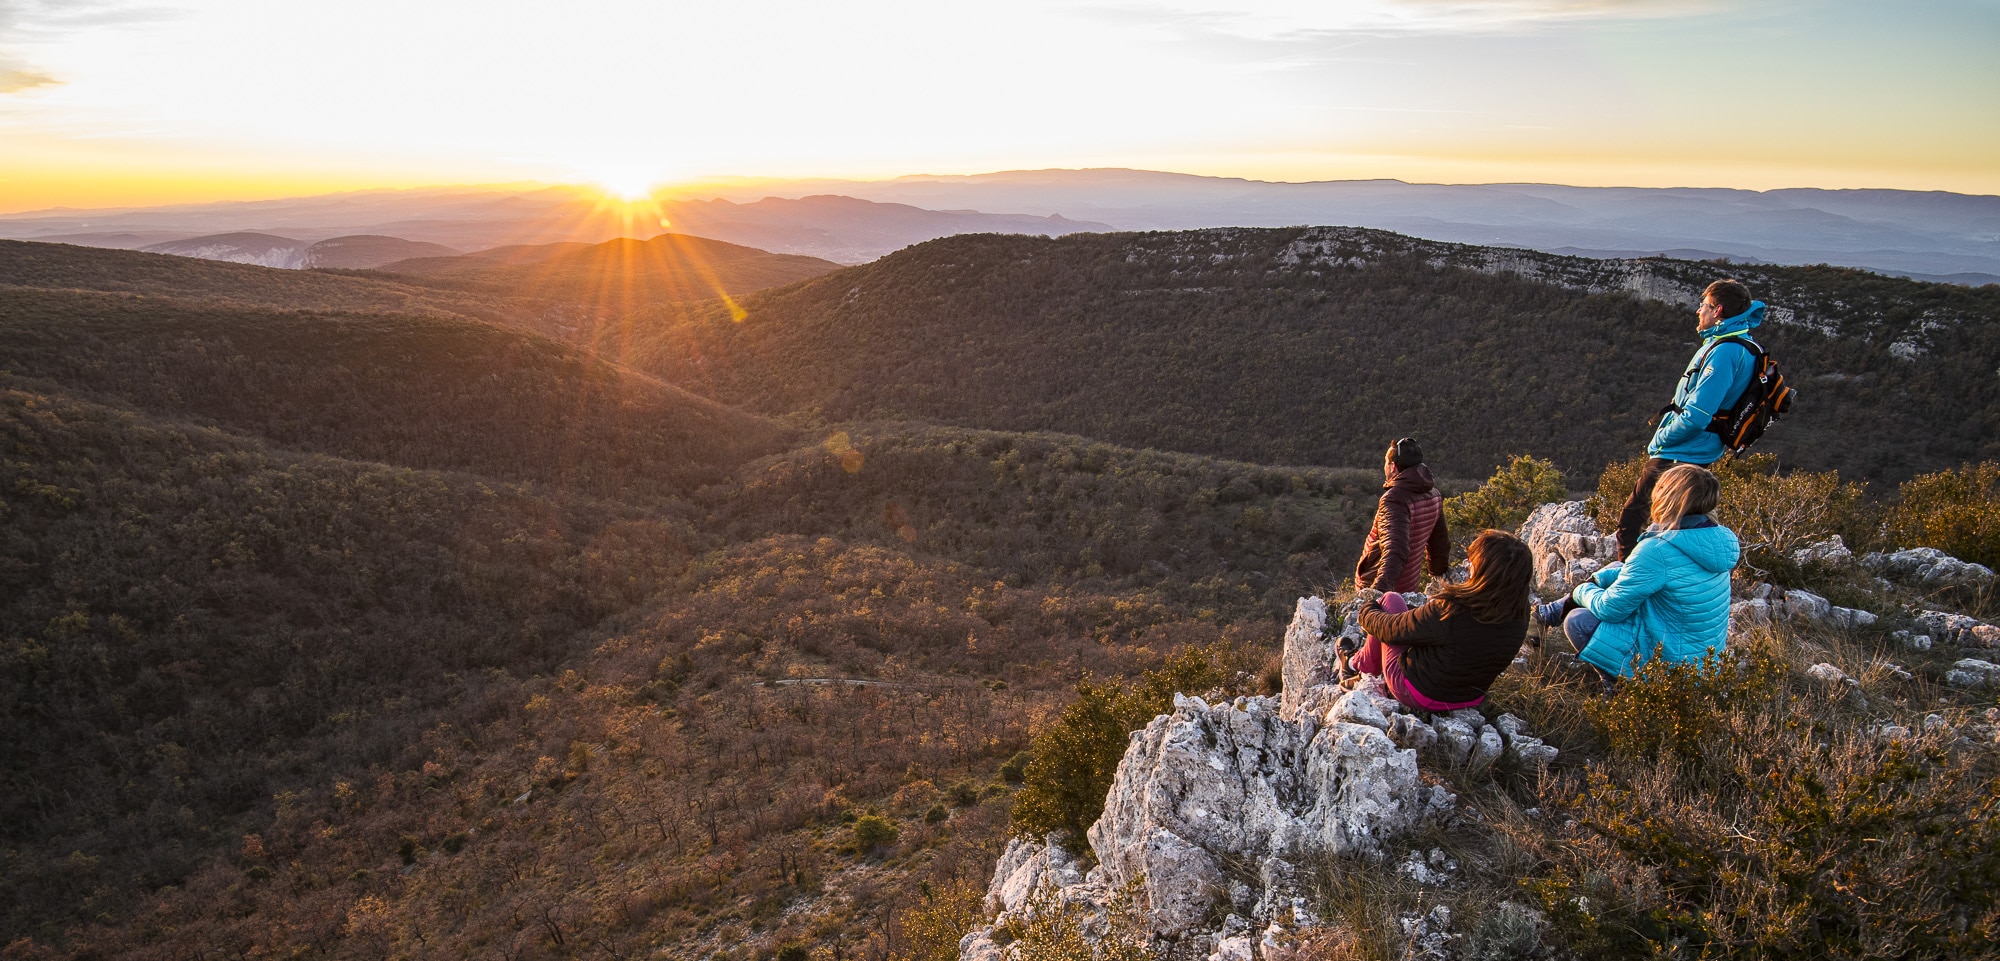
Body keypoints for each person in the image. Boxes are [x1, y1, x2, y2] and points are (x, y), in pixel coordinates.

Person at [1615, 279, 1766, 560]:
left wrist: (1660, 439)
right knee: (1674, 523)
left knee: (1633, 518)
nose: (1698, 311)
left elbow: (1696, 415)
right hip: (1697, 448)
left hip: (1683, 449)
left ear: (1718, 310)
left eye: (1703, 305)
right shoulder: (1736, 344)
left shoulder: (1725, 351)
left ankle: (1629, 580)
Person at [1548, 464, 1738, 678]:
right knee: (1617, 568)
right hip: (1705, 666)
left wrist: (1581, 591)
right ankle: (1553, 612)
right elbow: (1645, 574)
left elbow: (1609, 609)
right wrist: (1600, 579)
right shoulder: (1718, 539)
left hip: (1671, 672)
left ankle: (1617, 688)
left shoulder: (1658, 549)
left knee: (1578, 621)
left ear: (1667, 498)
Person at [1340, 529, 1534, 712]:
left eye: (1472, 562)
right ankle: (1360, 665)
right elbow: (1462, 635)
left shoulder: (1453, 608)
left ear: (1484, 572)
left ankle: (1356, 666)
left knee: (1390, 600)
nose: (1469, 566)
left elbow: (1389, 629)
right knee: (1405, 617)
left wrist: (1367, 608)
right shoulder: (1520, 613)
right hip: (1469, 698)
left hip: (1418, 693)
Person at [1354, 437, 1451, 594]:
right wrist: (1438, 575)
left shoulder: (1394, 500)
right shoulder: (1434, 495)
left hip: (1381, 588)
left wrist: (1378, 595)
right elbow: (1439, 545)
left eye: (1386, 463)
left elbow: (1394, 550)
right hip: (1408, 588)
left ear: (1393, 467)